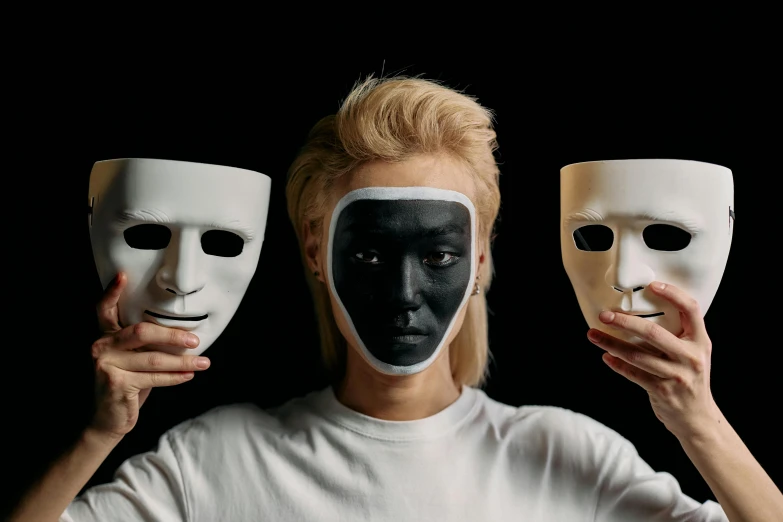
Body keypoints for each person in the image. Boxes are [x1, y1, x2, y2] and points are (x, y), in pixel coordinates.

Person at [10, 75, 782, 521]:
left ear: (479, 259)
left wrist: (698, 421)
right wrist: (97, 434)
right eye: (371, 251)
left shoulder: (563, 456)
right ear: (315, 251)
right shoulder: (214, 460)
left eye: (440, 252)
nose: (404, 294)